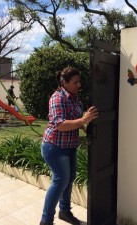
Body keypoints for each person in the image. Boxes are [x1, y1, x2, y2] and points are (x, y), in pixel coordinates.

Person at [40, 67, 98, 225]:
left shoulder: (74, 97)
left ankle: (64, 212)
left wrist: (86, 127)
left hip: (70, 145)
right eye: (75, 82)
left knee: (69, 179)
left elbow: (76, 118)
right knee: (60, 181)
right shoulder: (57, 98)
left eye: (79, 81)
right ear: (64, 82)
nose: (79, 85)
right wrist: (84, 120)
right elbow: (60, 125)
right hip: (54, 147)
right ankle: (46, 221)